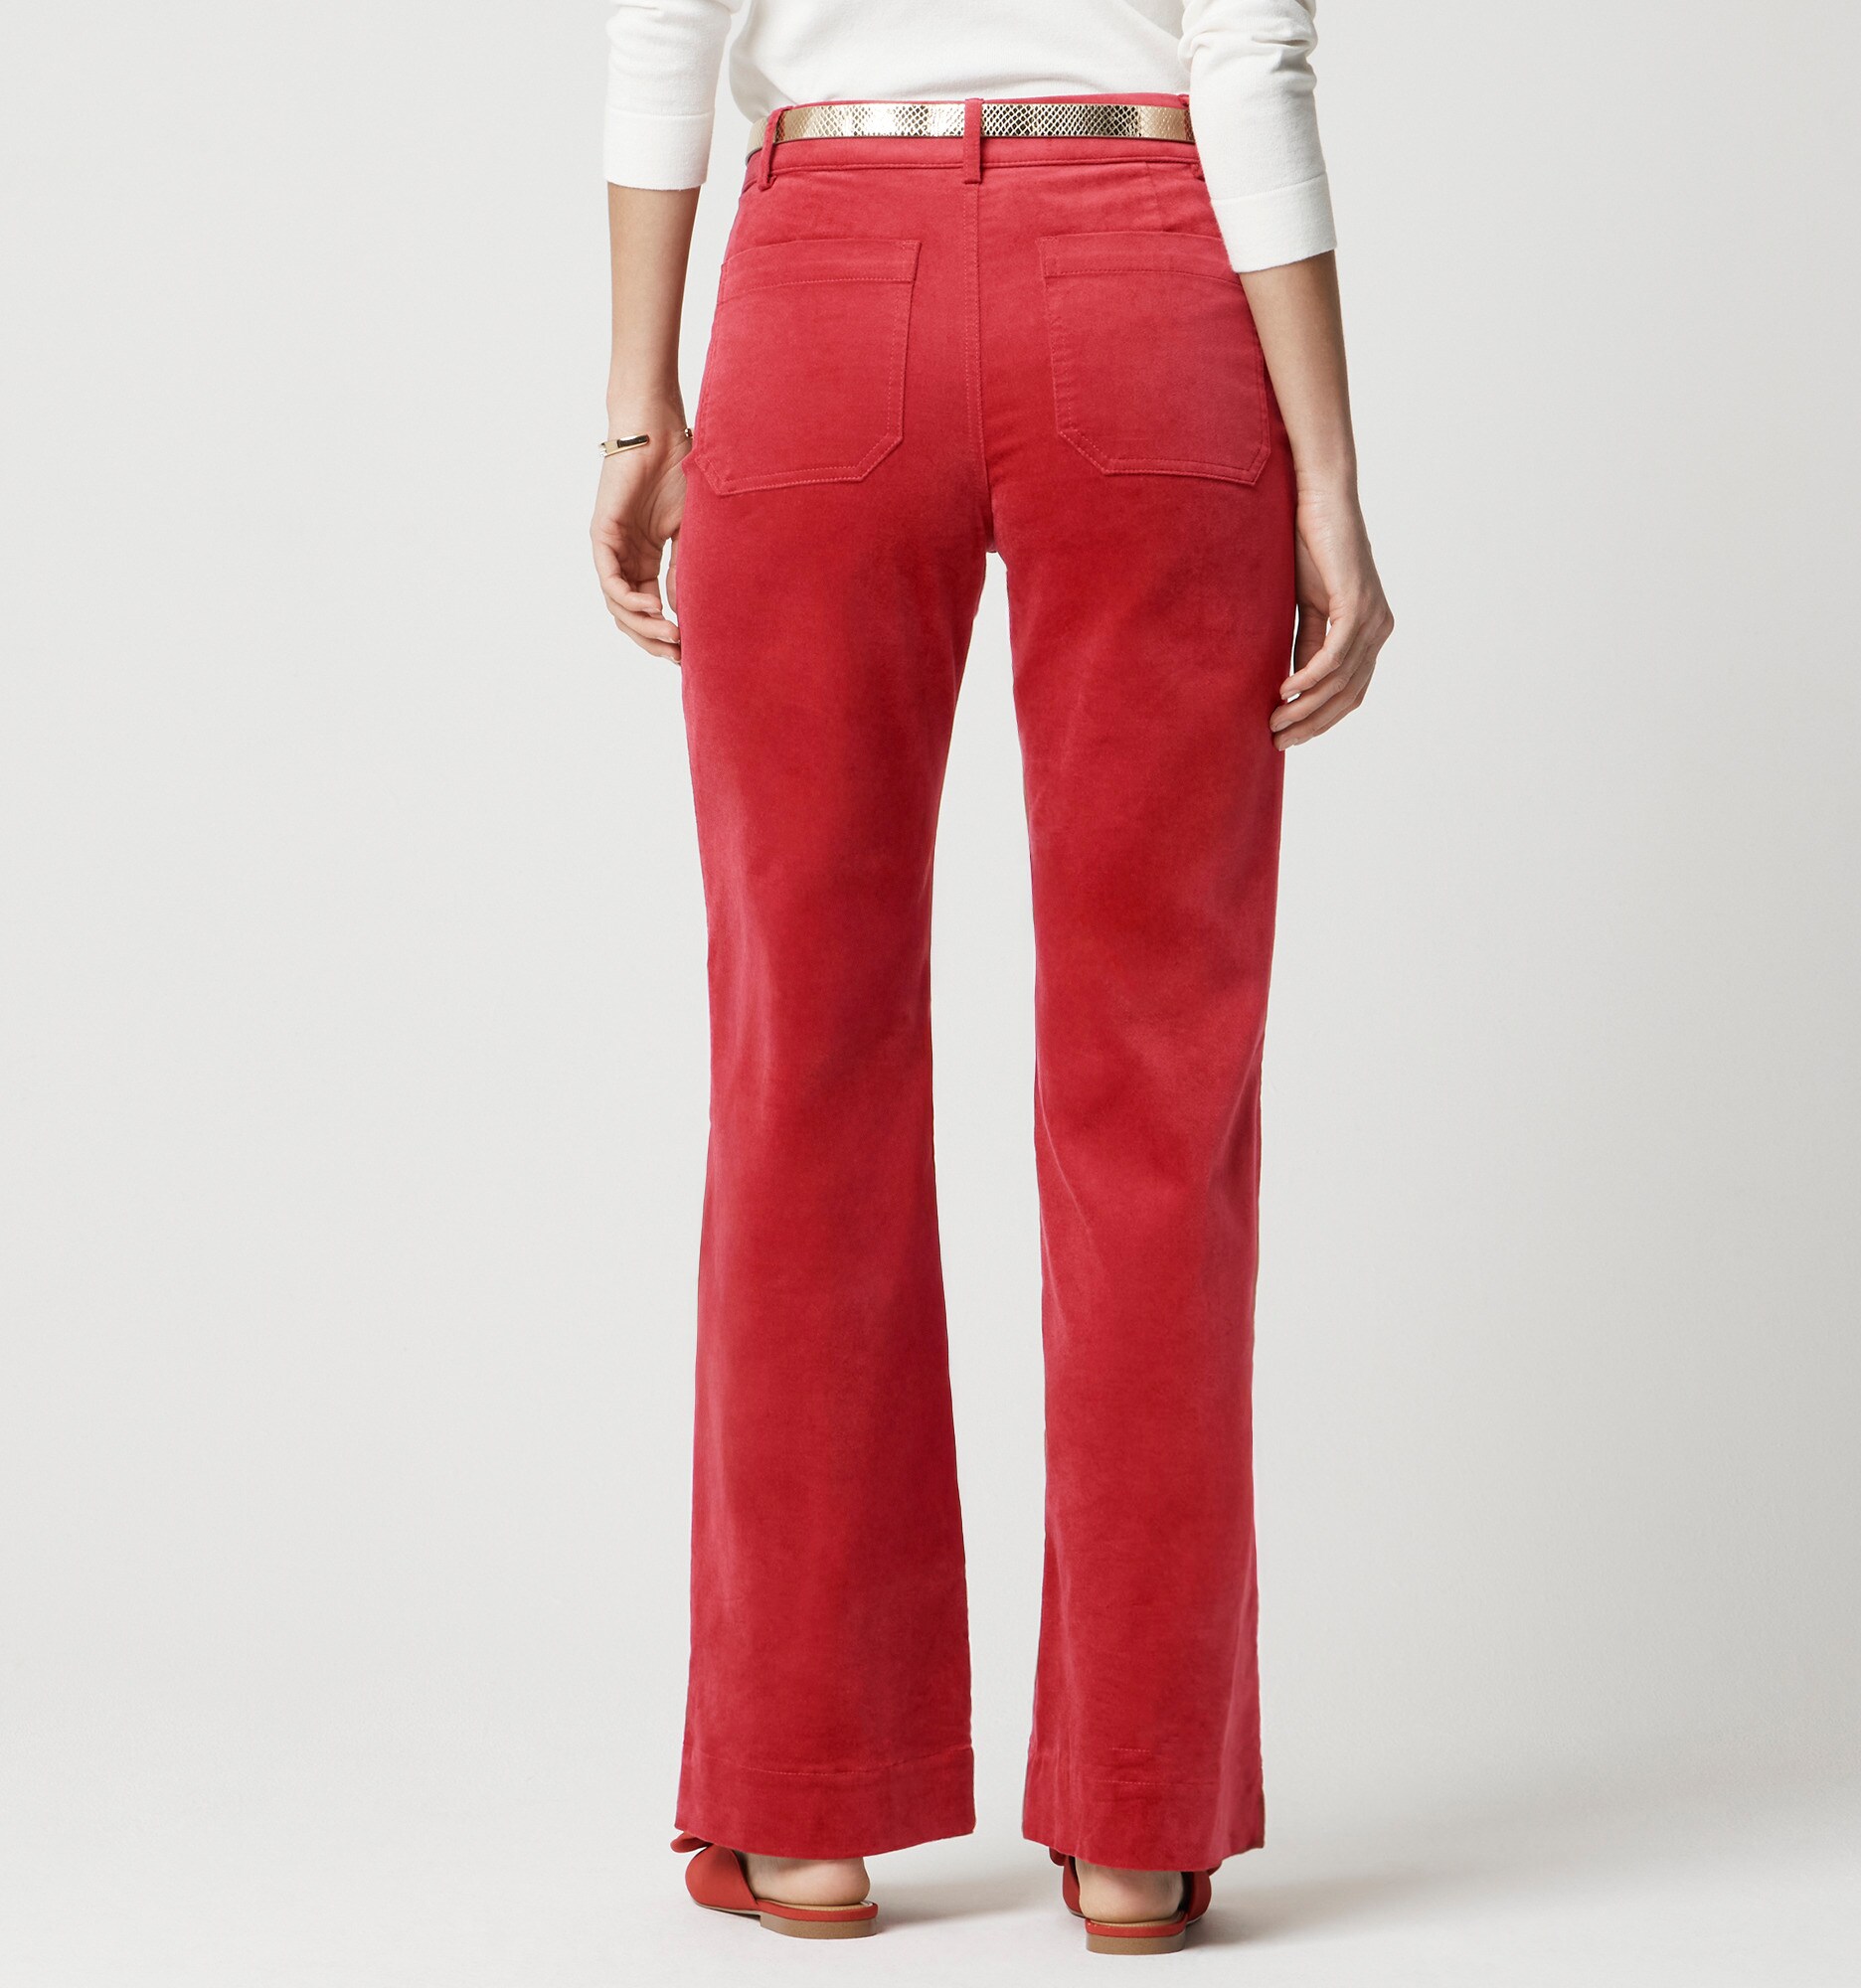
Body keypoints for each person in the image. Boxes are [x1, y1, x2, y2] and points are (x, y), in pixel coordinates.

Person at [590, 0, 1393, 1954]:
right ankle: (1136, 1828)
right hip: (1149, 274)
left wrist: (637, 401)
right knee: (1156, 1081)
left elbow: (664, 28)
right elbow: (1248, 62)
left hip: (820, 278)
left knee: (802, 1057)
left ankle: (804, 1814)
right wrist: (1328, 471)